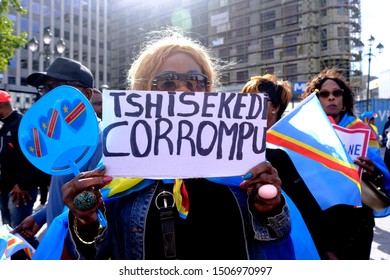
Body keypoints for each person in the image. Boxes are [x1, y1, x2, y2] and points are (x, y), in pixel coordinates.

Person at [61, 29, 293, 260]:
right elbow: (95, 255)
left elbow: (277, 237)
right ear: (143, 91)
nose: (183, 90)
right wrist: (86, 220)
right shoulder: (118, 172)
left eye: (195, 81)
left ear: (207, 89)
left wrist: (271, 208)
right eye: (167, 82)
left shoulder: (242, 164)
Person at [11, 58, 102, 258]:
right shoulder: (61, 139)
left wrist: (68, 250)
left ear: (87, 94)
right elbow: (66, 193)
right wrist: (41, 217)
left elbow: (95, 207)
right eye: (45, 89)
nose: (50, 96)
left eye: (59, 87)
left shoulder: (102, 141)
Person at [300, 67, 390, 259]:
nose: (331, 97)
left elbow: (382, 173)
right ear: (316, 100)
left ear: (344, 99)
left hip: (356, 219)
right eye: (324, 94)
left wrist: (373, 172)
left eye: (336, 93)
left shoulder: (362, 130)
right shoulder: (306, 134)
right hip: (319, 217)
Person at [0, 90, 51, 257]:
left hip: (21, 191)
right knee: (9, 233)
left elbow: (34, 157)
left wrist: (22, 184)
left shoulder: (23, 124)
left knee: (21, 232)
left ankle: (41, 260)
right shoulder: (4, 125)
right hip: (6, 188)